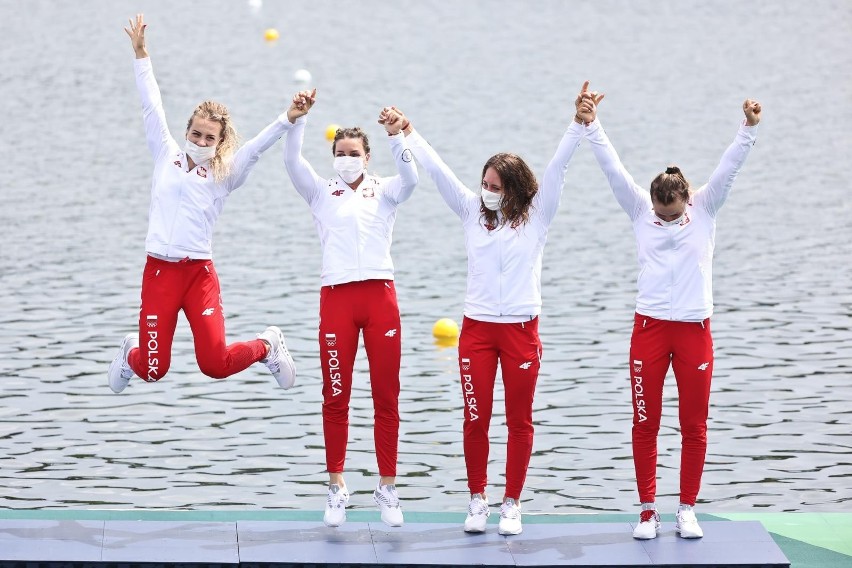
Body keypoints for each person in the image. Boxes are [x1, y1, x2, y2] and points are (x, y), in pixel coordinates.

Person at [379, 85, 592, 535]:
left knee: (519, 420)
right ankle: (478, 500)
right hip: (476, 331)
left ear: (514, 189)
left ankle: (511, 503)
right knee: (476, 417)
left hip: (520, 331)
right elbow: (436, 170)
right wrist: (407, 133)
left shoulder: (539, 214)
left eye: (496, 187)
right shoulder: (470, 209)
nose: (487, 192)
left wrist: (579, 123)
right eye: (485, 184)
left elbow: (558, 167)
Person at [578, 84, 762, 540]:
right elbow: (612, 168)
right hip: (651, 330)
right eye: (658, 214)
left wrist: (748, 128)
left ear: (687, 200)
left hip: (695, 331)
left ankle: (686, 509)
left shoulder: (706, 207)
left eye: (670, 214)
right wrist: (590, 123)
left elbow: (730, 167)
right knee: (645, 421)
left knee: (693, 424)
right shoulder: (640, 207)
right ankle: (647, 511)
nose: (661, 219)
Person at [108, 14, 296, 394]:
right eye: (195, 132)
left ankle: (267, 345)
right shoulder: (165, 153)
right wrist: (141, 54)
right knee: (154, 370)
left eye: (208, 137)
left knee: (216, 364)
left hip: (199, 276)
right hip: (159, 273)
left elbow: (257, 148)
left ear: (218, 142)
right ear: (186, 131)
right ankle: (131, 353)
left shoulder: (224, 175)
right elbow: (151, 105)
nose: (200, 139)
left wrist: (288, 119)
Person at [281, 90, 418, 528]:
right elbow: (291, 164)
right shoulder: (322, 193)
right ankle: (337, 486)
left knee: (386, 396)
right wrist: (297, 121)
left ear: (367, 155)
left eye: (353, 153)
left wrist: (398, 136)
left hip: (380, 299)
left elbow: (412, 178)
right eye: (339, 153)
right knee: (335, 396)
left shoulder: (387, 190)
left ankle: (388, 487)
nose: (346, 159)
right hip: (337, 300)